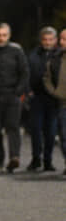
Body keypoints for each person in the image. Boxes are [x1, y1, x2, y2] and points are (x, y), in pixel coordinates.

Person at [0, 23, 29, 173]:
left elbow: (24, 72)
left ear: (9, 36)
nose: (1, 38)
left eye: (4, 35)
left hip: (12, 95)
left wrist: (18, 92)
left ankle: (14, 157)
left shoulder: (17, 51)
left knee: (13, 127)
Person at [26, 26, 59, 171]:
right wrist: (28, 91)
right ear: (41, 40)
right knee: (36, 130)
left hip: (54, 98)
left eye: (51, 39)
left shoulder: (60, 55)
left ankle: (48, 160)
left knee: (50, 131)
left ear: (55, 40)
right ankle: (36, 159)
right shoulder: (33, 55)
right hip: (37, 97)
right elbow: (26, 74)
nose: (48, 42)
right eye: (45, 39)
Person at [44, 28, 66, 174]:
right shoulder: (56, 58)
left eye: (65, 39)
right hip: (63, 104)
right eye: (61, 38)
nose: (61, 42)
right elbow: (47, 78)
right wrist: (54, 91)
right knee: (64, 136)